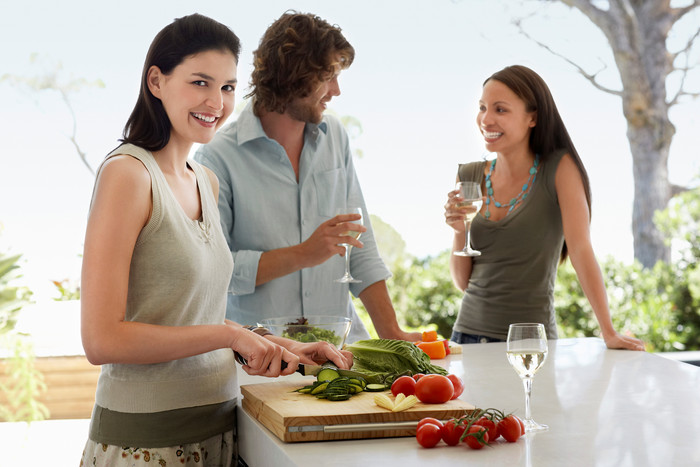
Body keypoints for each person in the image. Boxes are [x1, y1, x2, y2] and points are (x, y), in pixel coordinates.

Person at [79, 14, 353, 467]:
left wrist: (283, 346)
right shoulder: (128, 174)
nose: (216, 101)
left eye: (227, 87)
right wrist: (229, 334)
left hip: (221, 431)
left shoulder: (206, 180)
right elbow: (102, 339)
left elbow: (195, 317)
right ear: (156, 81)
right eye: (200, 82)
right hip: (146, 443)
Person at [195, 11, 420, 343]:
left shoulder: (335, 137)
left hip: (341, 349)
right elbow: (214, 270)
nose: (336, 90)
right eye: (328, 75)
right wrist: (303, 253)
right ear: (293, 75)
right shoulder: (217, 157)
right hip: (262, 357)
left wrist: (391, 332)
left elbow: (360, 245)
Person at [444, 65, 644, 351]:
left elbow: (581, 250)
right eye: (482, 107)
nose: (486, 119)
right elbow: (463, 282)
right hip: (466, 338)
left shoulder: (559, 169)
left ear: (532, 117)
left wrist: (608, 331)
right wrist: (458, 231)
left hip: (531, 343)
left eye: (500, 110)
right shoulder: (470, 176)